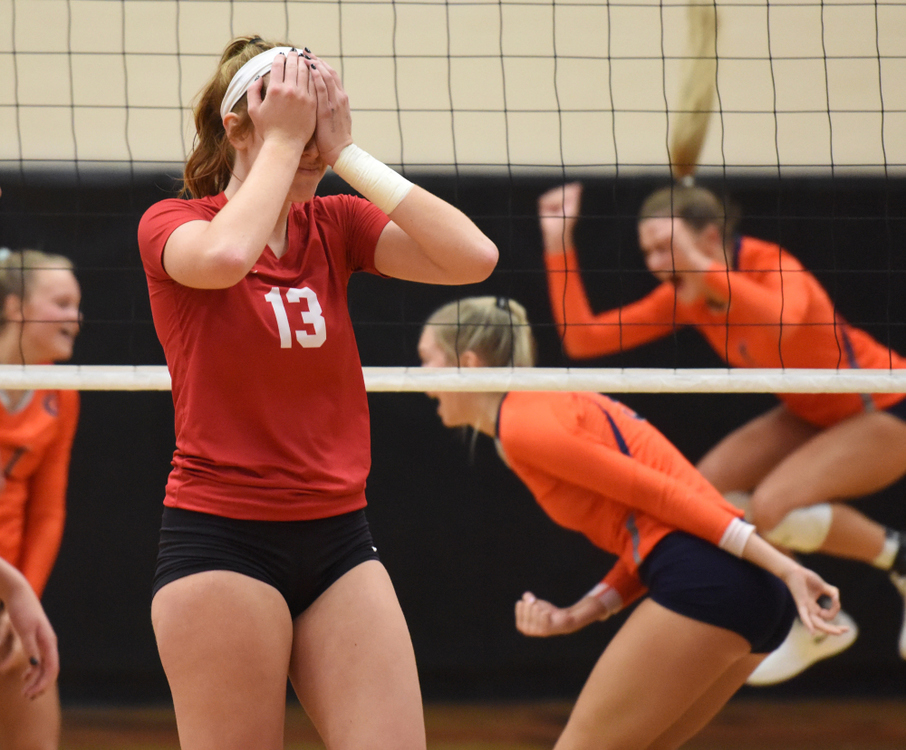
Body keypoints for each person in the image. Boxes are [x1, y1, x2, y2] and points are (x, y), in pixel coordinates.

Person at [137, 35, 497, 750]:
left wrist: (345, 157)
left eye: (315, 120)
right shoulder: (172, 224)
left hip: (339, 539)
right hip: (222, 541)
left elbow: (473, 258)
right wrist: (282, 143)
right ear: (238, 127)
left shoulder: (334, 224)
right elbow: (226, 259)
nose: (304, 139)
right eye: (287, 119)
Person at [417, 296, 843, 750]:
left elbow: (662, 495)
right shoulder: (535, 412)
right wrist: (582, 612)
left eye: (425, 361)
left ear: (467, 364)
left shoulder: (526, 424)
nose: (418, 379)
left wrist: (785, 566)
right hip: (746, 593)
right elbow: (648, 531)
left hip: (713, 581)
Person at [536, 180, 906, 684]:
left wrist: (697, 264)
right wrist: (558, 242)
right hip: (812, 411)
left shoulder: (768, 264)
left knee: (773, 506)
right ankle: (820, 623)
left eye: (664, 245)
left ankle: (897, 558)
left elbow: (781, 323)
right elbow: (584, 339)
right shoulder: (689, 295)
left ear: (710, 237)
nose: (652, 261)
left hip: (883, 403)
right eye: (647, 249)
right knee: (703, 495)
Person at [0, 244, 81, 749]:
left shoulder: (61, 388)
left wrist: (18, 603)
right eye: (61, 303)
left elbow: (48, 512)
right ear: (14, 308)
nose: (76, 317)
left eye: (77, 304)